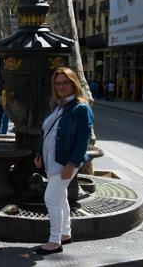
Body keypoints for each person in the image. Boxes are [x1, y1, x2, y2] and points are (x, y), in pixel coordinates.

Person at [33, 67, 93, 255]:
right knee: (60, 197)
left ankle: (54, 241)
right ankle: (65, 233)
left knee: (50, 197)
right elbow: (47, 131)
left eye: (65, 82)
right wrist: (40, 154)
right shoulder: (59, 106)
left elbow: (83, 140)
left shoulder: (80, 108)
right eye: (58, 83)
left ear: (74, 83)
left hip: (65, 161)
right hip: (52, 160)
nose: (61, 86)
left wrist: (72, 164)